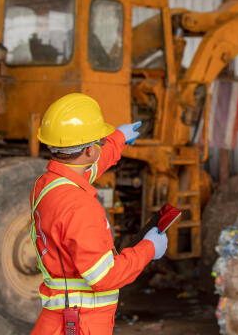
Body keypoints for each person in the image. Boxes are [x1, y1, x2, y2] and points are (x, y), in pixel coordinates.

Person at [30, 93, 167, 335]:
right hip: (80, 325)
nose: (100, 147)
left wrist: (117, 140)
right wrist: (149, 249)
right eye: (99, 142)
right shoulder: (81, 206)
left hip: (55, 321)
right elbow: (105, 277)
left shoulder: (48, 184)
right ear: (90, 151)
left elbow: (89, 165)